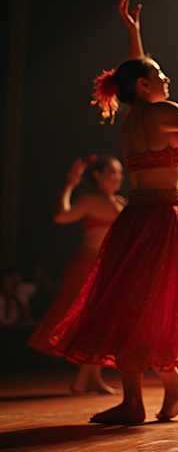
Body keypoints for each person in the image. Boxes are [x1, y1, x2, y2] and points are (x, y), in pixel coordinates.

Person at [50, 0, 178, 424]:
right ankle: (162, 387)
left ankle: (145, 395)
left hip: (137, 219)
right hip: (165, 219)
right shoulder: (162, 112)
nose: (167, 78)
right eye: (159, 75)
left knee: (131, 303)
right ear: (145, 86)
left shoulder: (131, 119)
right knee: (147, 305)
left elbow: (136, 72)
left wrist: (134, 32)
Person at [28, 155, 125, 394]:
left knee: (101, 321)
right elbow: (61, 216)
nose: (117, 177)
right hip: (86, 264)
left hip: (107, 267)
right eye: (111, 172)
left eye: (119, 173)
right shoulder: (89, 200)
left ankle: (90, 378)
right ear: (97, 175)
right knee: (86, 319)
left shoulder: (121, 202)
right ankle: (84, 379)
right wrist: (70, 185)